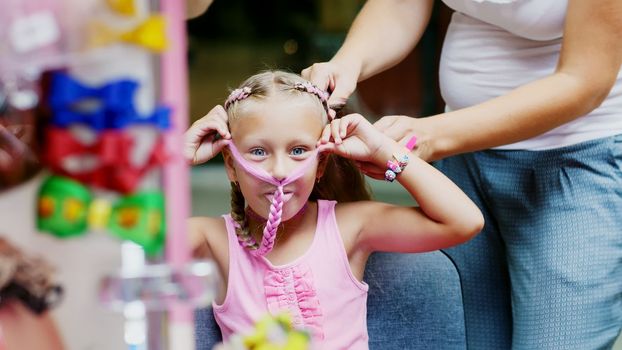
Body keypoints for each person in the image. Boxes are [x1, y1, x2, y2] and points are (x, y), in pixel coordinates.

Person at [302, 0, 622, 349]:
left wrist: (430, 136)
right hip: (463, 161)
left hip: (577, 162)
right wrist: (349, 61)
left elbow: (583, 80)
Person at [184, 70, 484, 348]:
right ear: (231, 165)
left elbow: (463, 221)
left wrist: (382, 150)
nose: (278, 170)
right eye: (258, 152)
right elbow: (138, 249)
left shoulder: (349, 227)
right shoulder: (211, 239)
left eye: (298, 150)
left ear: (321, 163)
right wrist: (176, 159)